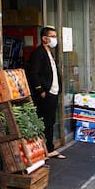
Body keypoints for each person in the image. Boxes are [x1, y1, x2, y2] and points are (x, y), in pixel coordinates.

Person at [29, 26, 65, 159]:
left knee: (50, 121)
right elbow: (34, 74)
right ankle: (45, 149)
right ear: (44, 38)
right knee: (45, 121)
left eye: (55, 36)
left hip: (54, 92)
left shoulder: (49, 52)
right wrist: (41, 90)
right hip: (46, 94)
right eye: (52, 36)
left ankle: (49, 148)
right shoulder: (38, 53)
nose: (55, 39)